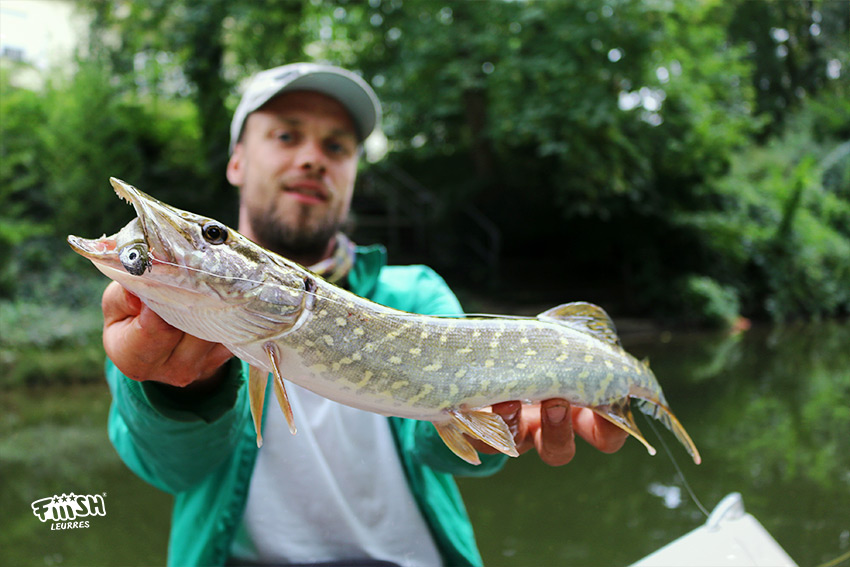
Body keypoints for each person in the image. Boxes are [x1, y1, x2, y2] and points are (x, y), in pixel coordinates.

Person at [101, 62, 627, 567]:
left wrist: (501, 418)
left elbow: (441, 447)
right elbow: (168, 467)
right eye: (286, 136)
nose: (312, 158)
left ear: (353, 171)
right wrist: (180, 389)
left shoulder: (417, 293)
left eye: (336, 146)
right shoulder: (158, 309)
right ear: (236, 160)